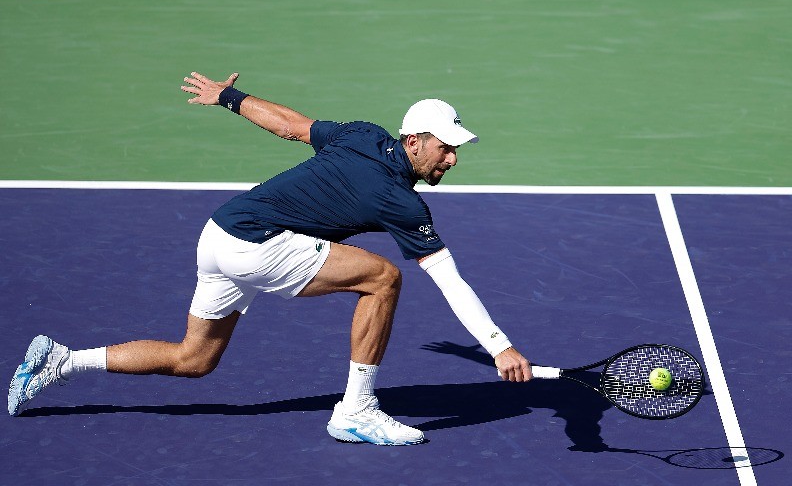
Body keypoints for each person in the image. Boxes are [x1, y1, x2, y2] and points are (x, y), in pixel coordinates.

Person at [8, 72, 532, 445]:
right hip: (256, 244)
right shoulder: (401, 201)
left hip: (219, 232)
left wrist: (229, 98)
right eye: (446, 148)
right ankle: (356, 411)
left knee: (194, 359)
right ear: (415, 142)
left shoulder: (363, 135)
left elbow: (291, 125)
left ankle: (60, 360)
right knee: (383, 278)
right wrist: (499, 347)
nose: (454, 158)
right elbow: (450, 280)